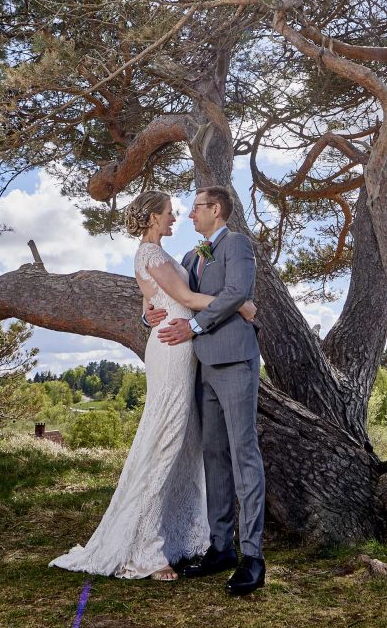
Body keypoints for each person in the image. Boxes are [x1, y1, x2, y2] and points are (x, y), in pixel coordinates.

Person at [49, 190, 257, 582]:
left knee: (182, 440)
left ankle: (178, 535)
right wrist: (240, 304)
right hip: (173, 351)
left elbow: (160, 300)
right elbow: (183, 296)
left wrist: (148, 315)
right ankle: (146, 548)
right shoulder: (151, 255)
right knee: (164, 439)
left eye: (183, 211)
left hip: (184, 349)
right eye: (170, 213)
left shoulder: (166, 255)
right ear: (152, 218)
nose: (176, 218)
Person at [146, 185, 266, 596]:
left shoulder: (237, 245)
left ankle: (252, 557)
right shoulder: (189, 257)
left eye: (196, 207)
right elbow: (174, 298)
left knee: (243, 454)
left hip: (235, 361)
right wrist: (150, 314)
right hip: (200, 368)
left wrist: (194, 326)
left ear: (216, 209)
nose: (189, 214)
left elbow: (237, 294)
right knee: (213, 455)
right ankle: (221, 547)